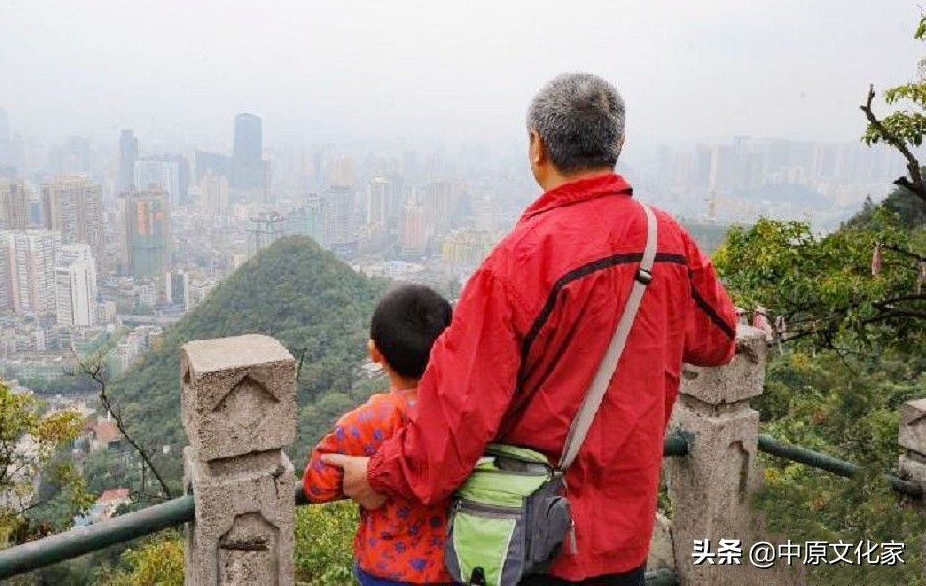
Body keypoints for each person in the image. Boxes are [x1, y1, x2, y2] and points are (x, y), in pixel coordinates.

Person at [324, 73, 737, 586]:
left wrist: (379, 475)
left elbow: (459, 413)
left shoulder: (518, 262)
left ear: (536, 146)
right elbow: (718, 340)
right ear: (620, 145)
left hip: (534, 543)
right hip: (626, 538)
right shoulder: (667, 240)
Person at [302, 284, 455, 585]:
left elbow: (315, 485)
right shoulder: (466, 412)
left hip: (386, 571)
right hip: (455, 567)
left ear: (374, 353)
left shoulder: (367, 422)